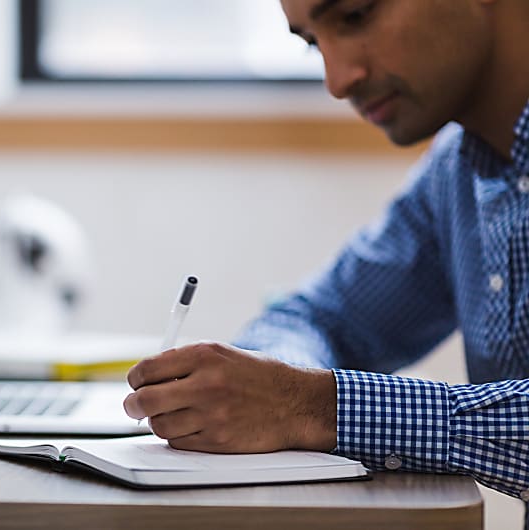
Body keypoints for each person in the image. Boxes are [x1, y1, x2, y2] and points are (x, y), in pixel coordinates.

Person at [123, 0, 529, 523]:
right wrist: (267, 386)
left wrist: (313, 406)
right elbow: (319, 317)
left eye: (356, 16)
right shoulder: (458, 172)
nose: (337, 81)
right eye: (313, 42)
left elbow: (307, 397)